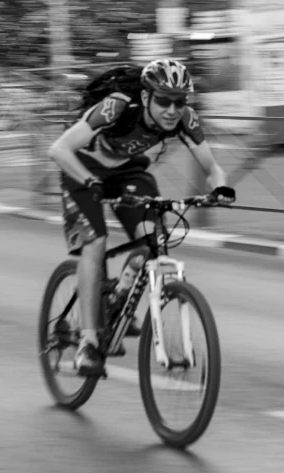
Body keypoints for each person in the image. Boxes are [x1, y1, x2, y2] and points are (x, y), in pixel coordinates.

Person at [48, 58, 236, 376]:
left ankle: (119, 296)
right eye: (163, 100)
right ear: (147, 97)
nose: (172, 109)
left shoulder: (184, 119)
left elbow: (213, 168)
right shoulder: (116, 107)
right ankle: (89, 344)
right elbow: (59, 150)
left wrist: (220, 190)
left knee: (153, 239)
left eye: (179, 101)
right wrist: (91, 182)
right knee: (96, 242)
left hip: (128, 172)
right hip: (82, 171)